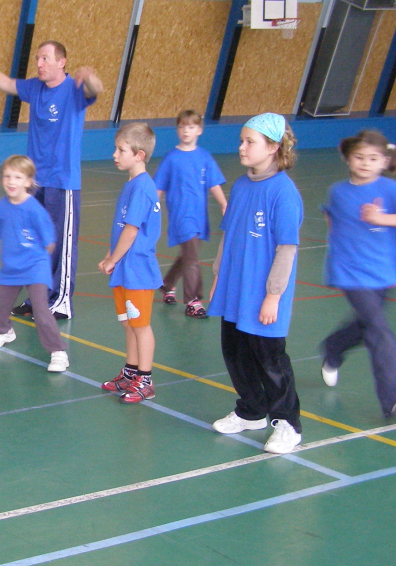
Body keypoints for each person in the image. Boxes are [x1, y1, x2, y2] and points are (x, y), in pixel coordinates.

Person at [0, 41, 103, 320]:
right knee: (35, 241)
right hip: (35, 182)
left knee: (61, 242)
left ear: (62, 62)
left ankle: (62, 301)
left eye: (45, 59)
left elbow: (96, 89)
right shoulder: (36, 87)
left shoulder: (74, 89)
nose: (40, 64)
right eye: (37, 59)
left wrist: (90, 76)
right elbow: (8, 84)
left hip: (62, 180)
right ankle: (38, 299)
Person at [209, 113, 304, 455]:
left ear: (274, 147)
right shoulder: (242, 186)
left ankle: (288, 424)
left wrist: (273, 297)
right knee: (234, 353)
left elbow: (286, 249)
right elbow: (228, 236)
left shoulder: (283, 193)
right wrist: (218, 275)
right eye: (242, 140)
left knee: (270, 360)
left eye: (250, 142)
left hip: (263, 294)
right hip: (235, 289)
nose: (242, 147)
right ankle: (252, 411)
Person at [320, 130, 396, 418]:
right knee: (379, 330)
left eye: (372, 158)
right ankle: (395, 396)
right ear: (348, 159)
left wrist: (382, 219)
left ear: (384, 161)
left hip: (382, 272)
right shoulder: (338, 190)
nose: (365, 163)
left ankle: (334, 346)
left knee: (366, 325)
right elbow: (330, 215)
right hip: (350, 273)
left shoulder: (392, 190)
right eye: (359, 157)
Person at [0, 155, 69, 373]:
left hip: (34, 267)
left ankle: (58, 352)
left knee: (41, 311)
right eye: (7, 176)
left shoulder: (34, 210)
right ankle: (4, 332)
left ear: (28, 182)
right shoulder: (1, 207)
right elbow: (4, 236)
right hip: (10, 269)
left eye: (18, 177)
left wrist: (34, 259)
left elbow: (49, 243)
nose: (11, 181)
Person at [98, 123, 163, 403]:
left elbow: (132, 230)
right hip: (124, 268)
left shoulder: (142, 188)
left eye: (121, 150)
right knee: (128, 324)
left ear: (139, 155)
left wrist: (114, 258)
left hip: (137, 269)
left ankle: (145, 380)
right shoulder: (131, 184)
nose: (115, 154)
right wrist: (112, 257)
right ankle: (131, 372)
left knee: (141, 325)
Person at [154, 109, 227, 318]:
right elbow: (158, 188)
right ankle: (193, 300)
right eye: (182, 126)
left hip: (199, 216)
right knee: (192, 258)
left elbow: (213, 183)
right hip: (180, 216)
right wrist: (150, 208)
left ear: (200, 130)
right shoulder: (171, 159)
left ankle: (167, 284)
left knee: (188, 254)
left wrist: (224, 204)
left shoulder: (204, 157)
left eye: (191, 126)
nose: (186, 131)